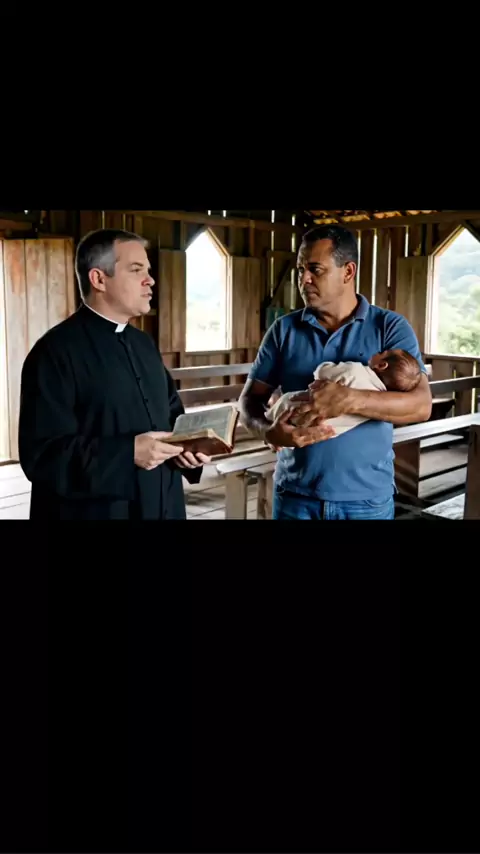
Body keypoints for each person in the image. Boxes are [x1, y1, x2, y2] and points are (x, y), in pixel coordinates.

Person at [238, 225, 432, 521]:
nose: (304, 279)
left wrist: (350, 399)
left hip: (366, 501)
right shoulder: (283, 330)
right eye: (301, 269)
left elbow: (421, 406)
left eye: (315, 269)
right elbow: (249, 401)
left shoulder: (389, 327)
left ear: (348, 271)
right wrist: (267, 430)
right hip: (294, 497)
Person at [18, 227, 210, 520]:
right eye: (136, 270)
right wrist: (128, 452)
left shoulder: (144, 344)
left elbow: (172, 414)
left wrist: (187, 448)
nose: (150, 280)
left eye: (148, 270)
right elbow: (42, 455)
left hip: (163, 505)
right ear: (99, 279)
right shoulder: (54, 352)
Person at [265, 348, 423, 437]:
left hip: (296, 411)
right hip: (319, 431)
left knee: (285, 401)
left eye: (382, 352)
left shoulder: (356, 371)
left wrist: (325, 369)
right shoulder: (380, 403)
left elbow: (322, 371)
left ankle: (270, 418)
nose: (377, 351)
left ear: (382, 365)